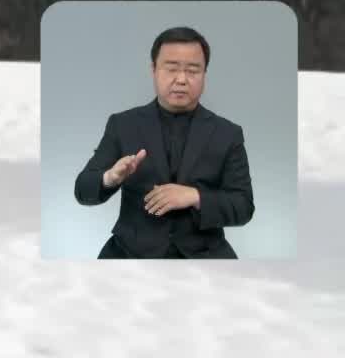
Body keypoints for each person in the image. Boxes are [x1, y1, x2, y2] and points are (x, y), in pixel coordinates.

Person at [72, 25, 254, 258]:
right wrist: (110, 178)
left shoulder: (228, 133)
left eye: (192, 70)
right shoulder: (123, 124)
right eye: (171, 69)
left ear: (205, 74)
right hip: (130, 254)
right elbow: (82, 190)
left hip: (205, 255)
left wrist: (195, 197)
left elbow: (243, 206)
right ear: (154, 70)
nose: (181, 79)